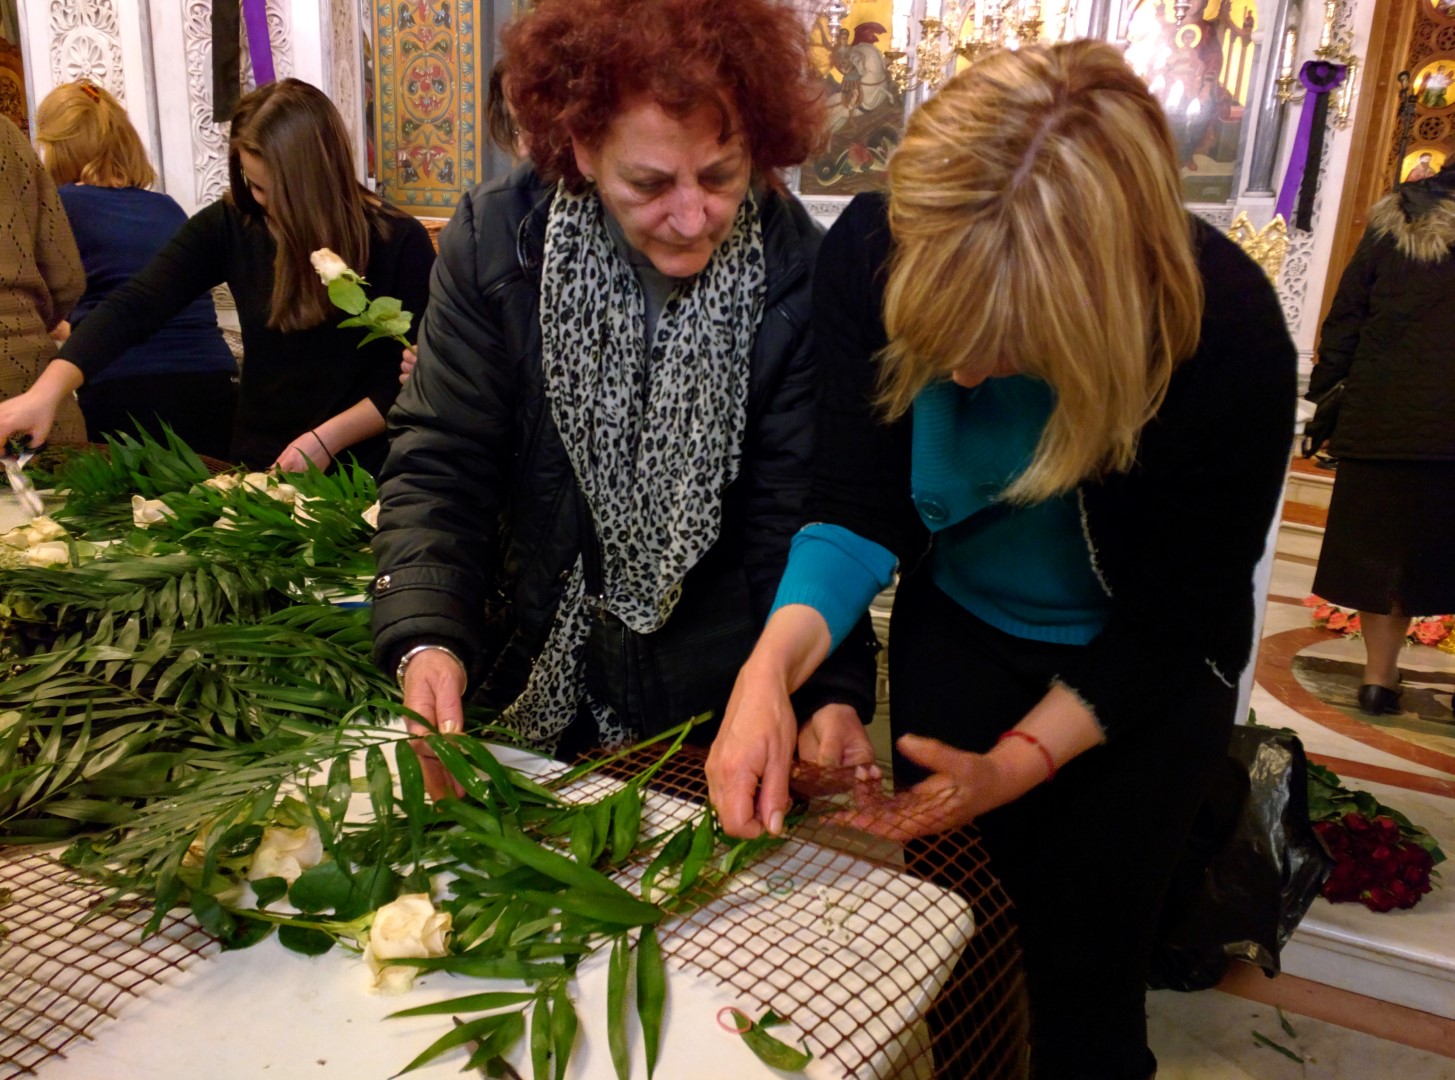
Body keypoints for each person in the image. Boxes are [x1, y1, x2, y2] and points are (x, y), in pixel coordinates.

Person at [706, 42, 1296, 1079]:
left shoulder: (1224, 330)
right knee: (958, 958)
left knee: (1088, 993)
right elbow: (854, 503)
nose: (967, 375)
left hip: (1140, 678)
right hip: (961, 634)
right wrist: (768, 674)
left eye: (1006, 340)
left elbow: (1175, 625)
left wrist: (1016, 763)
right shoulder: (869, 249)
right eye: (939, 337)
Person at [371, 0, 855, 796]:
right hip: (521, 665)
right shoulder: (498, 241)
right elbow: (442, 461)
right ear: (583, 148)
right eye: (649, 183)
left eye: (721, 176)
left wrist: (819, 688)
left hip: (715, 707)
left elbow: (797, 518)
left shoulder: (798, 270)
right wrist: (426, 637)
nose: (691, 217)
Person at [0, 79, 435, 475]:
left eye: (279, 193)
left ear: (320, 178)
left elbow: (414, 377)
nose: (266, 206)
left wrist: (326, 439)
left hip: (364, 473)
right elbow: (136, 305)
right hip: (262, 467)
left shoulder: (397, 240)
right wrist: (45, 394)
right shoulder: (235, 222)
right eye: (255, 186)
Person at [1308, 167, 1455, 716]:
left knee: (1382, 556)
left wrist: (1328, 397)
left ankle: (1378, 678)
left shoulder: (1395, 219)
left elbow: (1347, 315)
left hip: (1384, 417)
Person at [34, 80, 237, 459]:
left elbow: (38, 296)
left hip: (126, 389)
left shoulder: (63, 205)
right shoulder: (166, 206)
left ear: (57, 149)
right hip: (212, 382)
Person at [0, 113, 86, 445]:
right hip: (34, 389)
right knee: (47, 481)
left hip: (32, 403)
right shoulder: (7, 133)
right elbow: (67, 276)